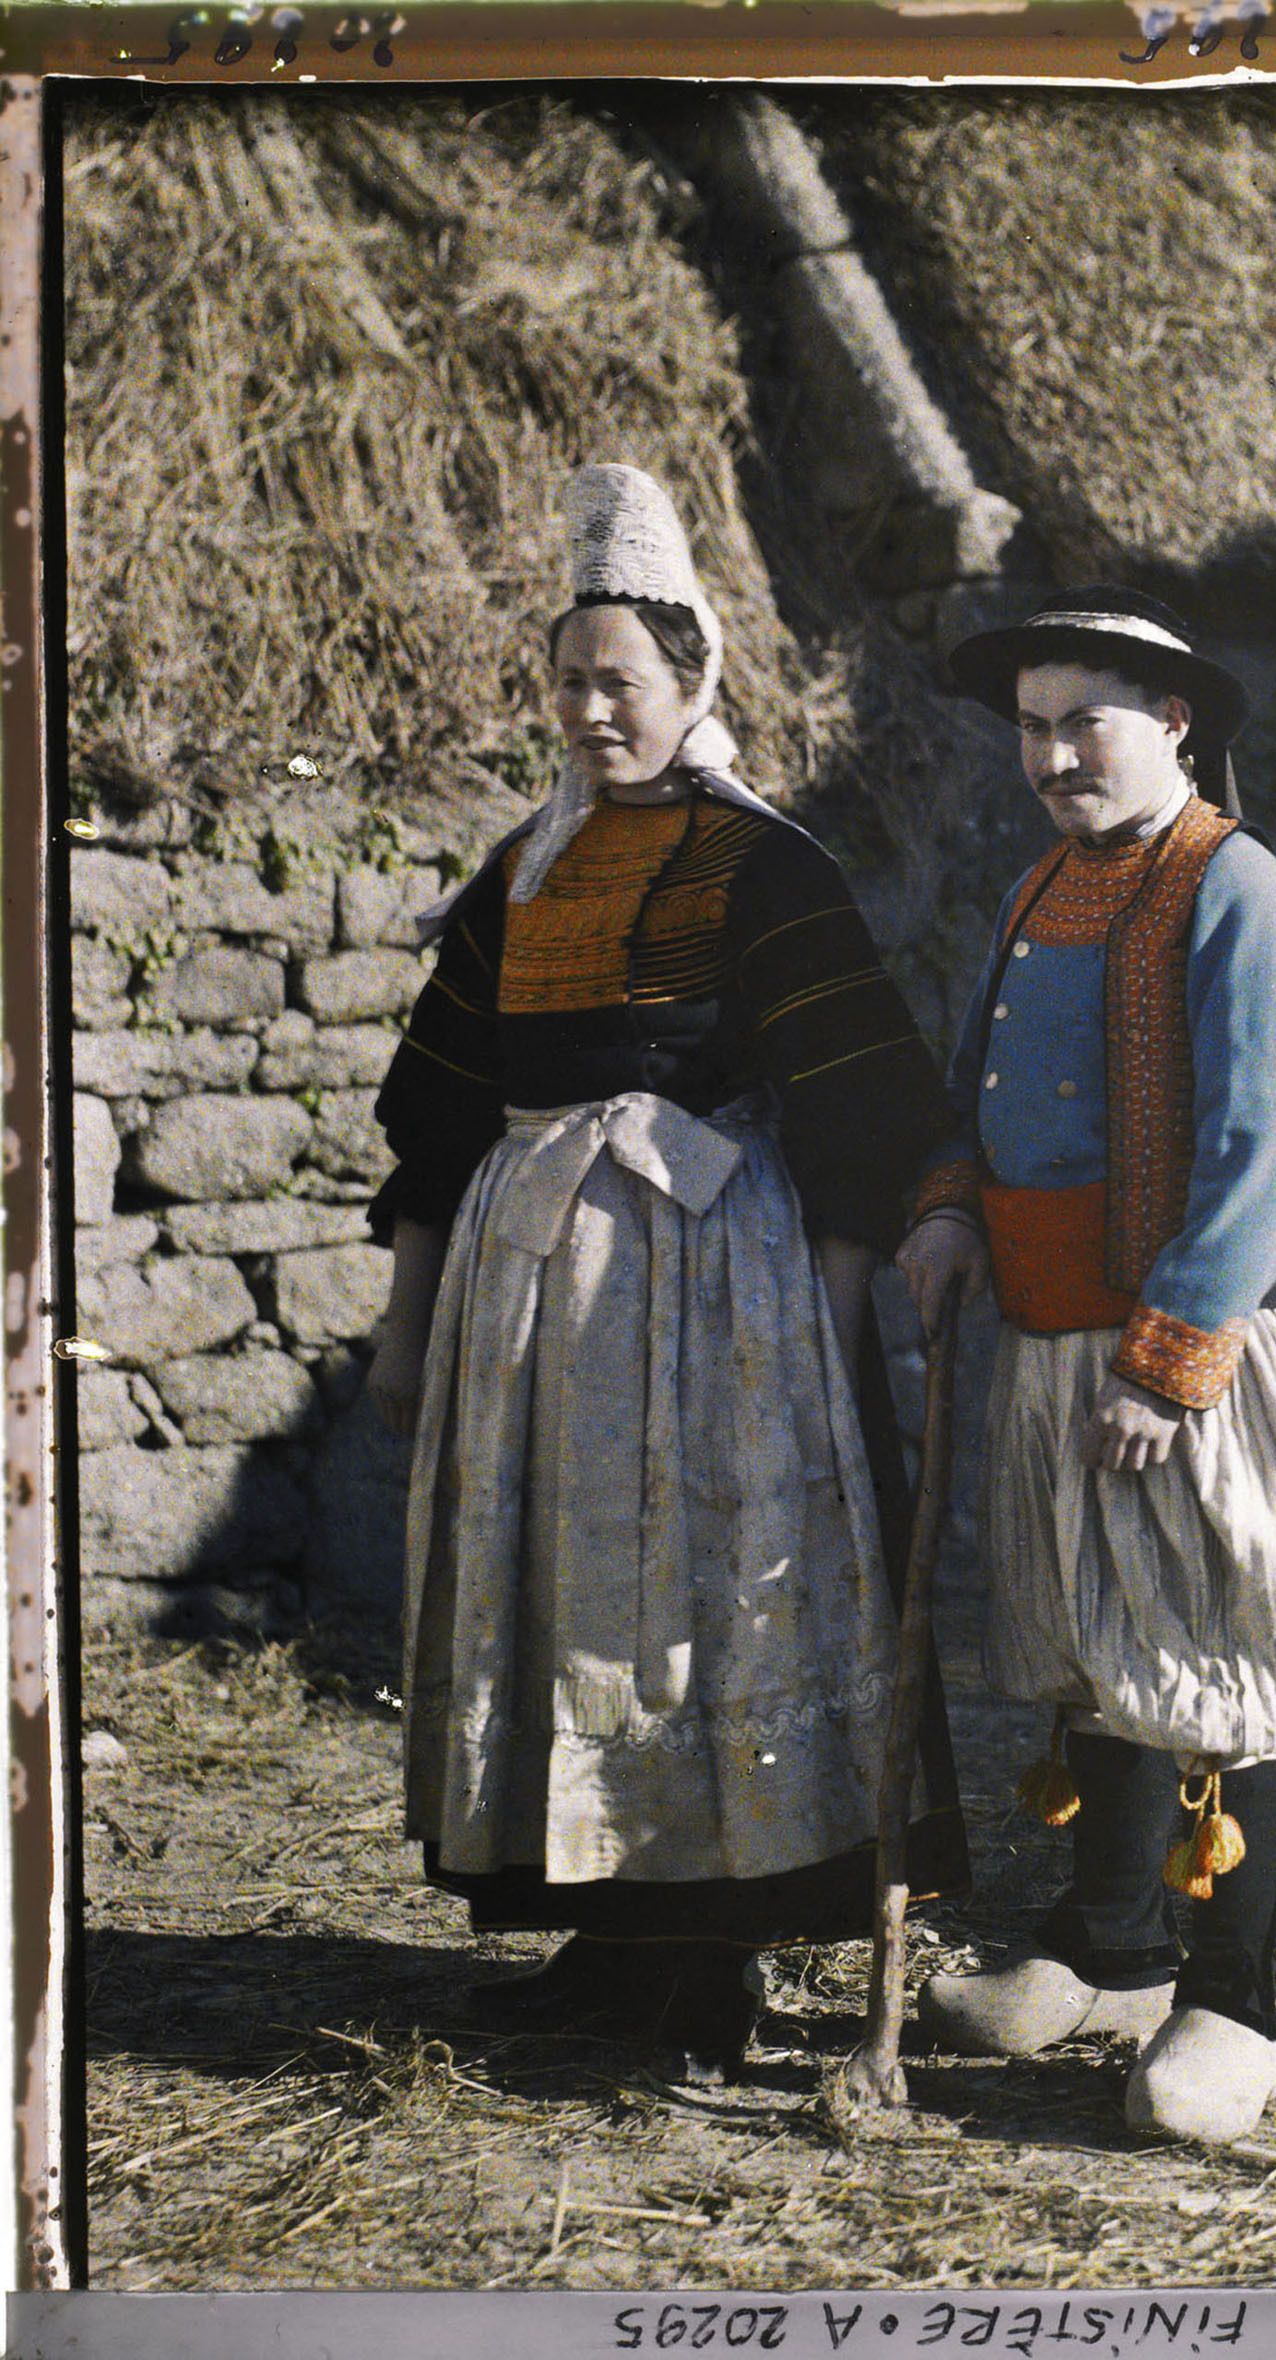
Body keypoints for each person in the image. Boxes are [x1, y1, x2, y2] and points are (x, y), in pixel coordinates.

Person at [368, 464, 968, 2073]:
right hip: (533, 1296)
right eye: (565, 681)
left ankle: (702, 1964)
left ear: (693, 683)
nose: (586, 710)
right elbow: (434, 1115)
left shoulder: (761, 867)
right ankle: (606, 1935)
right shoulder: (524, 874)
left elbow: (858, 1099)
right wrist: (407, 1327)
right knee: (560, 1600)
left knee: (686, 1615)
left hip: (715, 1296)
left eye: (616, 681)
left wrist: (834, 1344)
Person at [896, 586, 1276, 2144]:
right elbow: (989, 1092)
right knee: (1096, 1654)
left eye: (1082, 721)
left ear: (1172, 723)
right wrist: (948, 1214)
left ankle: (1236, 2005)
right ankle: (1106, 1951)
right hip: (1052, 1341)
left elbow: (1268, 1149)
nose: (1050, 754)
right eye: (1031, 726)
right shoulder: (1041, 883)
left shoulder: (1240, 894)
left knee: (1216, 1671)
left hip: (1192, 1356)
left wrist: (1169, 1356)